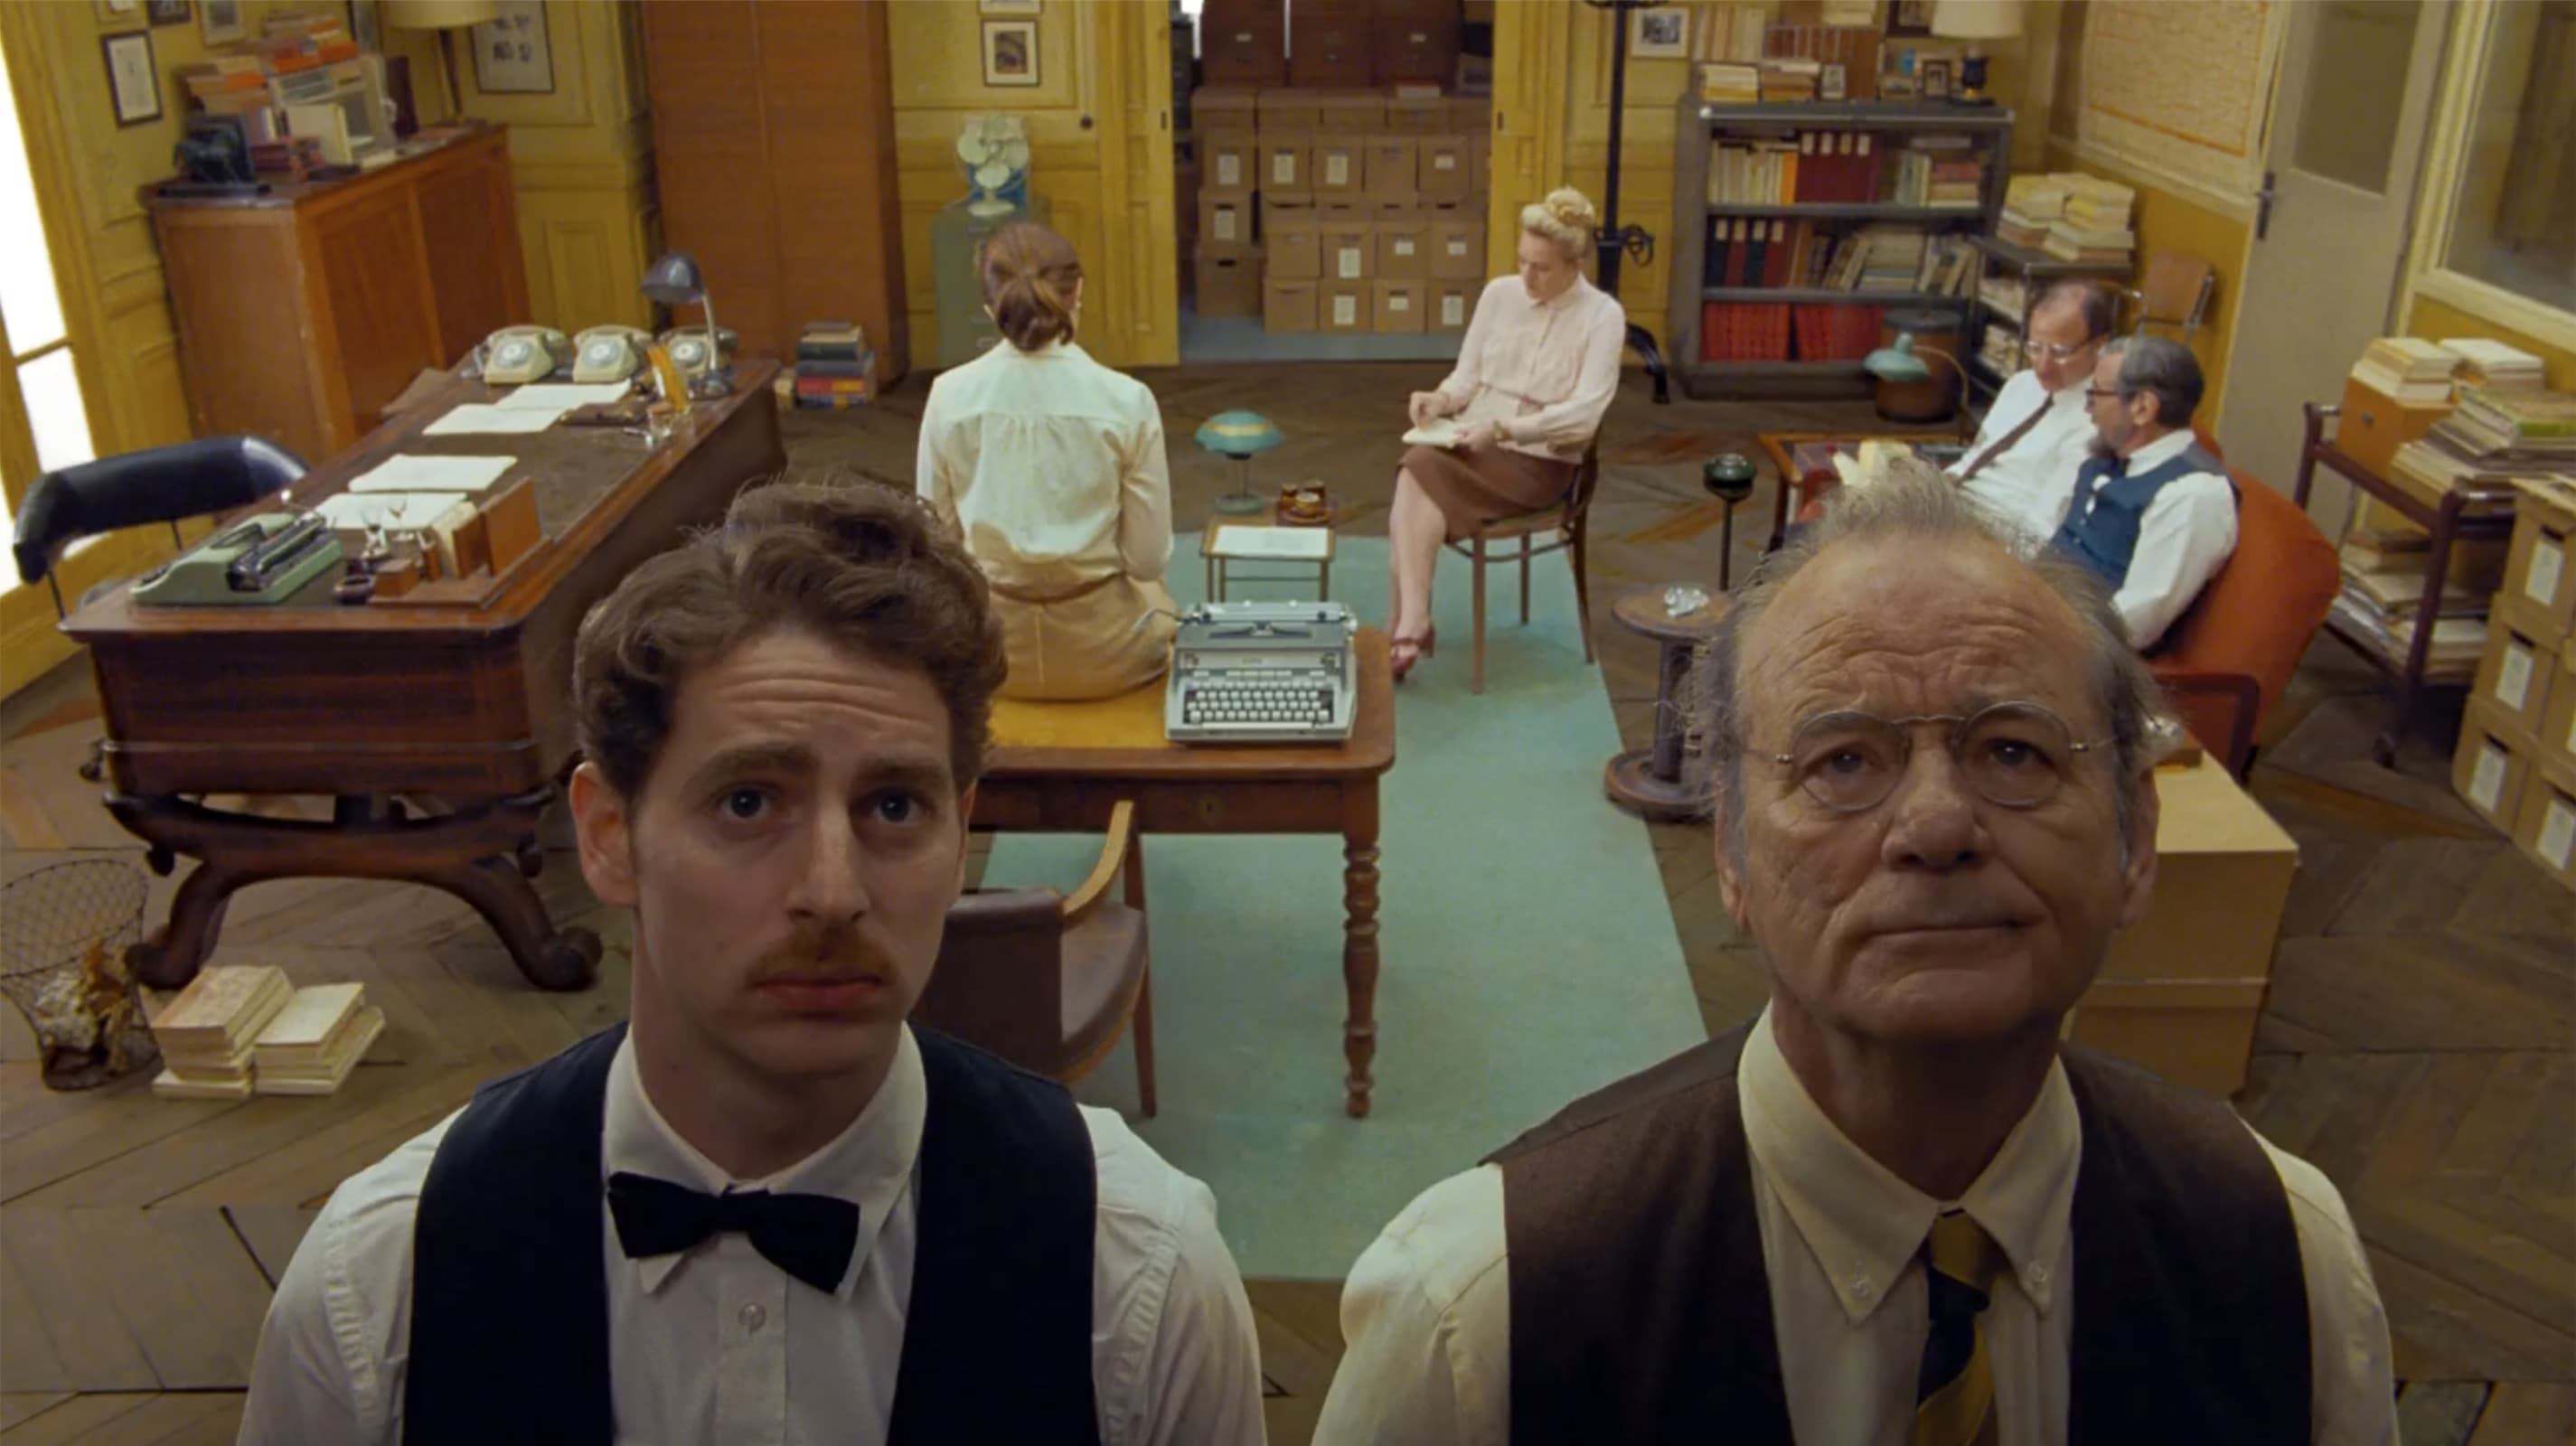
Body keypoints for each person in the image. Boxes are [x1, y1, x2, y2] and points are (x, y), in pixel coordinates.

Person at [1311, 463, 2393, 1445]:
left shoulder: (2286, 1253)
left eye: (2012, 751)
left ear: (2136, 838)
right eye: (1842, 761)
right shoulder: (1481, 1316)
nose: (1936, 825)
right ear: (1731, 850)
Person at [239, 480, 1266, 1445]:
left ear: (962, 834)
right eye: (748, 802)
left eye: (893, 805)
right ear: (606, 833)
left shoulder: (1140, 1277)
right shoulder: (377, 1286)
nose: (833, 890)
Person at [919, 221, 1179, 700]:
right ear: (1078, 293)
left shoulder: (946, 396)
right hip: (1107, 655)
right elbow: (1146, 559)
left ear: (989, 307)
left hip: (991, 658)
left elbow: (939, 547)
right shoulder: (1128, 400)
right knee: (1161, 599)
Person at [1392, 187, 1625, 680]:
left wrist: (1504, 430)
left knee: (1418, 472)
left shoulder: (1603, 316)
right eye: (1522, 261)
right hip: (1472, 440)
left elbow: (1584, 416)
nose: (1527, 276)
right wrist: (1439, 400)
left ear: (1575, 265)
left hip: (1543, 461)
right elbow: (1467, 377)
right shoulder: (1499, 295)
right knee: (1416, 467)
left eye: (1542, 267)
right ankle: (1414, 616)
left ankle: (1411, 621)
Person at [2047, 335, 2238, 649]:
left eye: (2095, 394)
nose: (2088, 409)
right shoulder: (2108, 454)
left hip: (2080, 650)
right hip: (2038, 609)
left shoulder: (2192, 494)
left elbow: (2134, 623)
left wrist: (2034, 632)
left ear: (2143, 407)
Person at [1944, 280, 2114, 540]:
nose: (2043, 366)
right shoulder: (2021, 384)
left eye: (2060, 352)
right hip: (1956, 506)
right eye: (2035, 348)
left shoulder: (2098, 418)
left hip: (1998, 531)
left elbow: (2045, 524)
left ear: (2099, 344)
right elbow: (1975, 457)